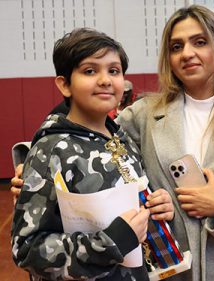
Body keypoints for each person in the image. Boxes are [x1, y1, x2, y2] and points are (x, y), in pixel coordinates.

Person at [10, 5, 214, 281]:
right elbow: (84, 136)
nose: (187, 53)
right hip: (165, 272)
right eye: (176, 46)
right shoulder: (140, 117)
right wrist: (33, 177)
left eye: (200, 42)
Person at [11, 27, 175, 281]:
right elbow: (26, 250)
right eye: (90, 71)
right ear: (64, 84)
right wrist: (109, 243)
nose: (105, 80)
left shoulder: (123, 138)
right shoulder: (52, 150)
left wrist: (158, 206)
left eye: (114, 71)